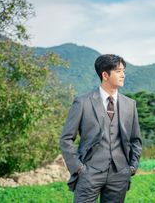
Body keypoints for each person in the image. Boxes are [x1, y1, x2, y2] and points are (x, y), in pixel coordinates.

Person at [60, 54, 142, 203]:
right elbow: (66, 139)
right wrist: (79, 168)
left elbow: (135, 139)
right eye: (118, 71)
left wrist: (132, 167)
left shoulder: (130, 104)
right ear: (105, 74)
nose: (123, 75)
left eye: (123, 71)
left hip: (120, 174)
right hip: (89, 172)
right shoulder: (83, 102)